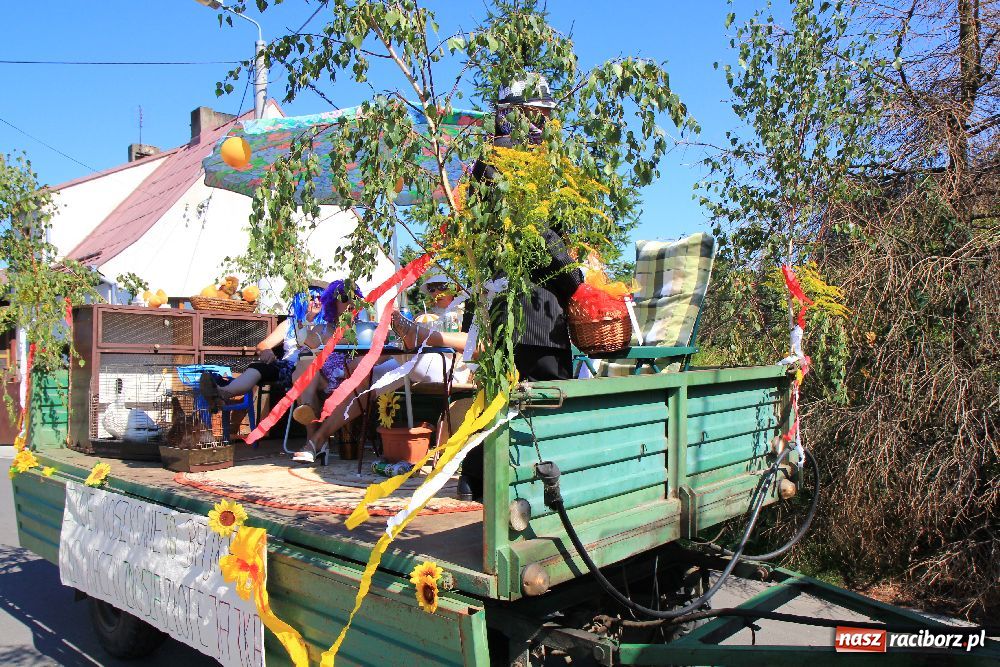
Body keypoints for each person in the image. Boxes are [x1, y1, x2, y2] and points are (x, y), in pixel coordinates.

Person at [199, 281, 331, 416]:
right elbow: (263, 345)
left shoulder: (328, 326)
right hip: (289, 368)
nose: (316, 302)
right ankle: (222, 393)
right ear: (302, 300)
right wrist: (267, 351)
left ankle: (221, 393)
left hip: (316, 369)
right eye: (311, 298)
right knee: (258, 367)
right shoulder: (290, 324)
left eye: (320, 298)